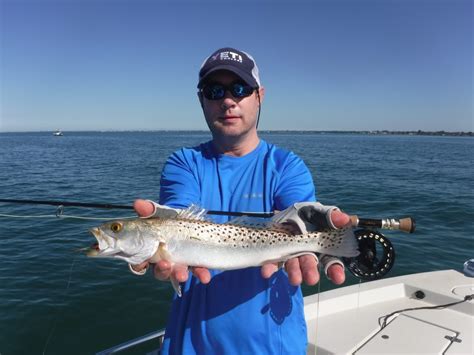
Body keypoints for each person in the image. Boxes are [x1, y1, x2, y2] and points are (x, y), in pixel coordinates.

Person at [131, 47, 350, 354]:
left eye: (239, 89)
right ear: (201, 100)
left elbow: (297, 214)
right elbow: (178, 213)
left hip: (274, 346)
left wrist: (313, 235)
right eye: (214, 90)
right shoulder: (184, 163)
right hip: (190, 345)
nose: (228, 100)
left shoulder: (286, 166)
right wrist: (143, 245)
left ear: (259, 95)